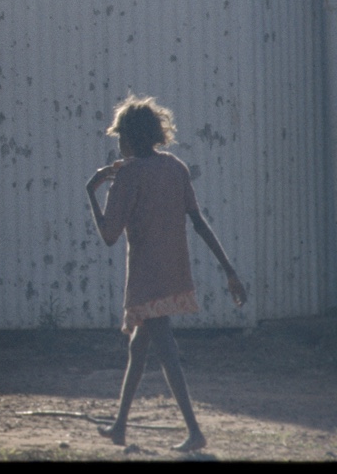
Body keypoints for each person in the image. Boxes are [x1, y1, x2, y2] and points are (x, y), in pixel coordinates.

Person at [86, 94, 247, 453]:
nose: (119, 143)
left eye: (120, 137)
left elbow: (110, 236)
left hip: (147, 278)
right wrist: (229, 270)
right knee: (138, 349)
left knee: (166, 351)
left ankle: (194, 431)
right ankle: (120, 427)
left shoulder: (126, 176)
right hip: (173, 273)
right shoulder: (175, 167)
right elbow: (199, 222)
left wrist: (91, 192)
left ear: (130, 137)